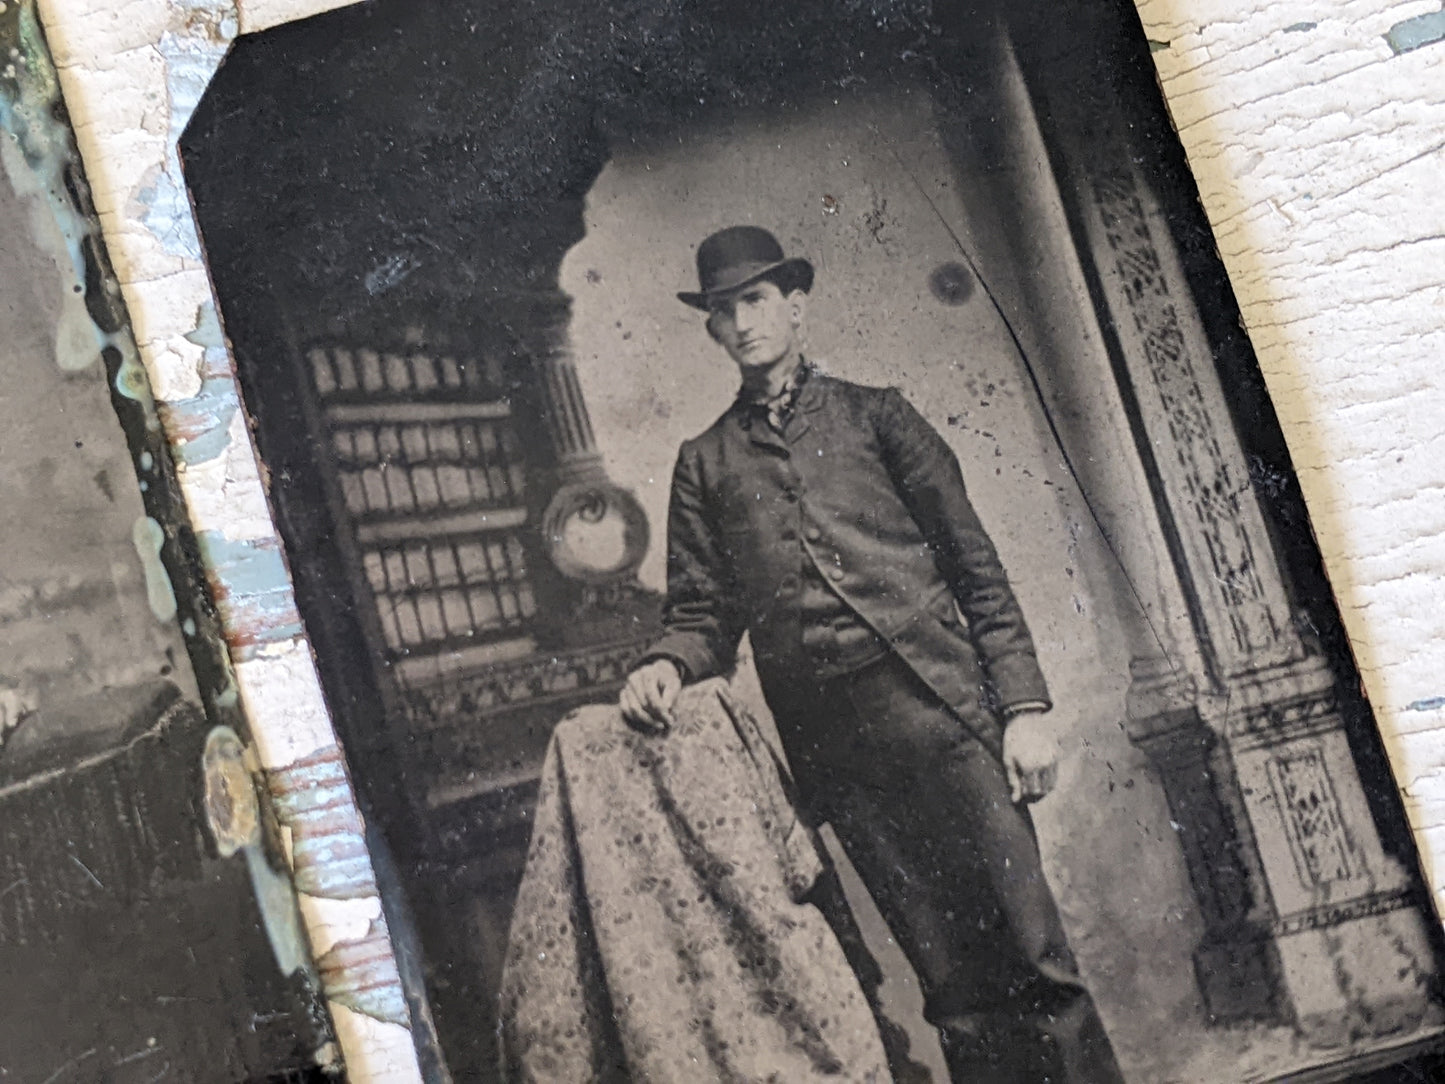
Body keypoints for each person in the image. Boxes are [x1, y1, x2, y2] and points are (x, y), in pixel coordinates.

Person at [618, 225, 1124, 1083]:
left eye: (755, 300)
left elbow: (976, 570)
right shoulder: (702, 463)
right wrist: (665, 663)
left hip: (946, 718)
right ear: (708, 328)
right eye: (722, 309)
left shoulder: (878, 416)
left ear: (794, 306)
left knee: (1036, 962)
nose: (741, 322)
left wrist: (1025, 710)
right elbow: (702, 613)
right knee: (949, 988)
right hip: (840, 757)